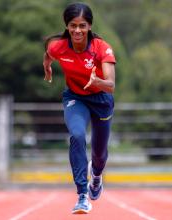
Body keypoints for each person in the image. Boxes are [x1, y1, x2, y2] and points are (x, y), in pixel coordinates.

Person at [43, 2, 116, 214]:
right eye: (73, 25)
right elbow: (48, 56)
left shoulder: (101, 48)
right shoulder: (58, 46)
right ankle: (82, 195)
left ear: (89, 27)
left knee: (99, 154)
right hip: (76, 98)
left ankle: (96, 177)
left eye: (82, 25)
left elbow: (111, 85)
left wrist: (97, 82)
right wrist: (48, 70)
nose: (77, 30)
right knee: (76, 135)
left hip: (101, 99)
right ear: (67, 26)